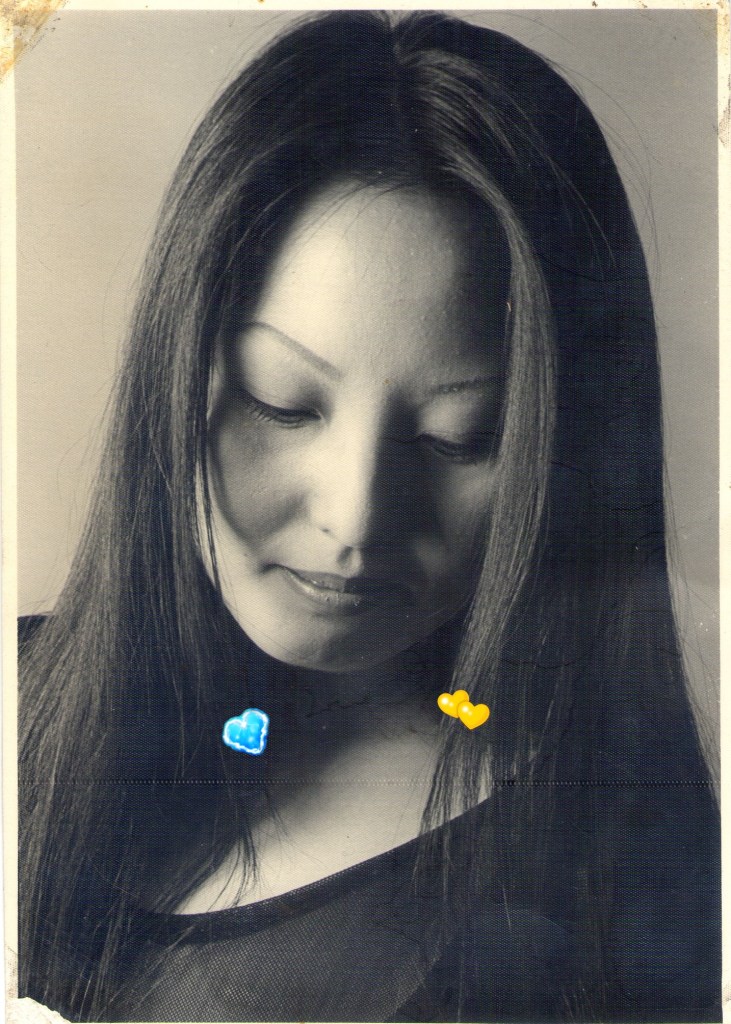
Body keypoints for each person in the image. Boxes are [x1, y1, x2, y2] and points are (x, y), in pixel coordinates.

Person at [18, 10, 720, 1023]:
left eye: (459, 439)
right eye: (281, 402)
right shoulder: (22, 699)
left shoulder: (613, 888)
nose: (354, 519)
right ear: (173, 369)